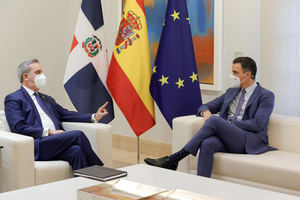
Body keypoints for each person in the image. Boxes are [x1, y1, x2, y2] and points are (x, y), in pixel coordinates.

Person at [144, 57, 276, 177]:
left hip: (248, 140)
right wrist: (206, 112)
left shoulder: (266, 95)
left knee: (215, 120)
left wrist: (230, 123)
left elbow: (258, 124)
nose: (232, 76)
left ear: (248, 75)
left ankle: (174, 159)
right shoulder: (231, 92)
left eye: (235, 73)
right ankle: (201, 188)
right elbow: (204, 106)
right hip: (230, 139)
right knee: (208, 143)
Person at [5, 59, 109, 170]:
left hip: (55, 143)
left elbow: (65, 114)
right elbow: (19, 127)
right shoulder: (14, 99)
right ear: (26, 76)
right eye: (38, 72)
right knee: (78, 134)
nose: (43, 76)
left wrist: (93, 116)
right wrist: (49, 132)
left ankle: (84, 185)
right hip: (38, 144)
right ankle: (100, 171)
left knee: (76, 151)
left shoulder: (47, 99)